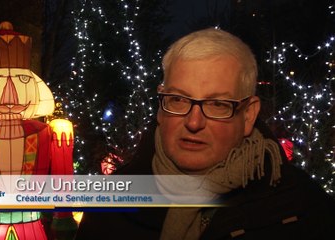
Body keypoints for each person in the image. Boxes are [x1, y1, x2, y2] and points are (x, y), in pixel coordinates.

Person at [75, 28, 335, 239]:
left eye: (217, 104)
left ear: (248, 115)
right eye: (178, 99)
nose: (194, 121)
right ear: (161, 107)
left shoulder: (302, 205)